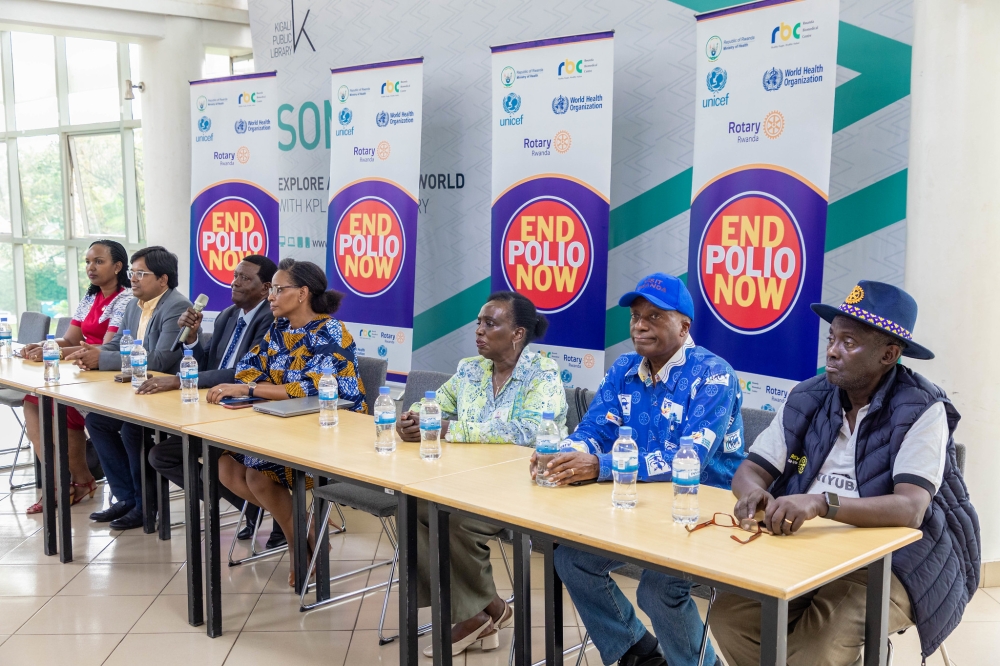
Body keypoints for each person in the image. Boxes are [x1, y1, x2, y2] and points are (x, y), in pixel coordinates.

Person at [711, 281, 981, 666]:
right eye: (832, 338)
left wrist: (822, 504)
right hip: (811, 547)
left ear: (889, 354)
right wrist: (753, 492)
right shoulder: (809, 395)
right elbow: (752, 469)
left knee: (817, 646)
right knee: (731, 616)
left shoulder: (923, 408)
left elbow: (910, 508)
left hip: (896, 556)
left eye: (849, 343)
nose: (833, 352)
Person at [531, 273, 744, 666]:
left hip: (704, 512)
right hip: (640, 503)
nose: (639, 325)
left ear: (684, 326)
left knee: (657, 590)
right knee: (572, 560)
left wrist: (599, 465)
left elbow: (690, 459)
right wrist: (563, 454)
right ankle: (639, 654)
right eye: (635, 316)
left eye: (654, 316)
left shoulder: (714, 375)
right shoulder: (625, 368)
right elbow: (595, 428)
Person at [395, 291, 567, 658]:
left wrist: (447, 429)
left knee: (454, 522)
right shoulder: (470, 369)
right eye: (478, 323)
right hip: (471, 480)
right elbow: (432, 404)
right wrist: (412, 418)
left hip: (527, 484)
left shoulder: (544, 372)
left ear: (518, 333)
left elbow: (530, 431)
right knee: (415, 510)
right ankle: (484, 611)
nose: (479, 331)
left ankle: (476, 614)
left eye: (491, 324)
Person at [212, 258, 366, 587]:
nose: (271, 295)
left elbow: (312, 387)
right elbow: (248, 368)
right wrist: (259, 387)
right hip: (288, 426)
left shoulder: (330, 332)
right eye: (272, 289)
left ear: (302, 293)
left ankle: (299, 547)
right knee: (225, 467)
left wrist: (255, 390)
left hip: (334, 433)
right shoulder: (280, 329)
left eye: (279, 289)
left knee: (258, 474)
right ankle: (307, 529)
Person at [139, 255, 285, 547]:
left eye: (245, 278)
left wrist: (181, 380)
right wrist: (192, 339)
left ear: (266, 287)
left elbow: (244, 373)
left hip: (248, 411)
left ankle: (278, 516)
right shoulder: (228, 315)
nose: (235, 282)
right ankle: (254, 505)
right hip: (215, 406)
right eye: (235, 275)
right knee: (160, 454)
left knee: (195, 454)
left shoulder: (271, 319)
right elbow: (208, 363)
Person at [68, 246, 192, 530]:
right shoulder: (135, 304)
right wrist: (94, 353)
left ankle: (146, 505)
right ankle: (126, 498)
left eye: (141, 273)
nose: (133, 279)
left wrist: (105, 358)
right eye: (132, 273)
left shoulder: (175, 306)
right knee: (97, 422)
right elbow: (115, 345)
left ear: (163, 279)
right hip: (138, 391)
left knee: (132, 428)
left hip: (167, 392)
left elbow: (163, 359)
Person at [19, 239, 132, 514]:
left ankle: (74, 482)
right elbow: (71, 338)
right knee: (33, 401)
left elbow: (105, 347)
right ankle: (64, 482)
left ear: (118, 267)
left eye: (98, 262)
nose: (90, 268)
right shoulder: (90, 297)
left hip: (104, 375)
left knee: (59, 404)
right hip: (80, 371)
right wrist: (44, 347)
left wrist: (58, 353)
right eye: (87, 262)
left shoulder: (126, 298)